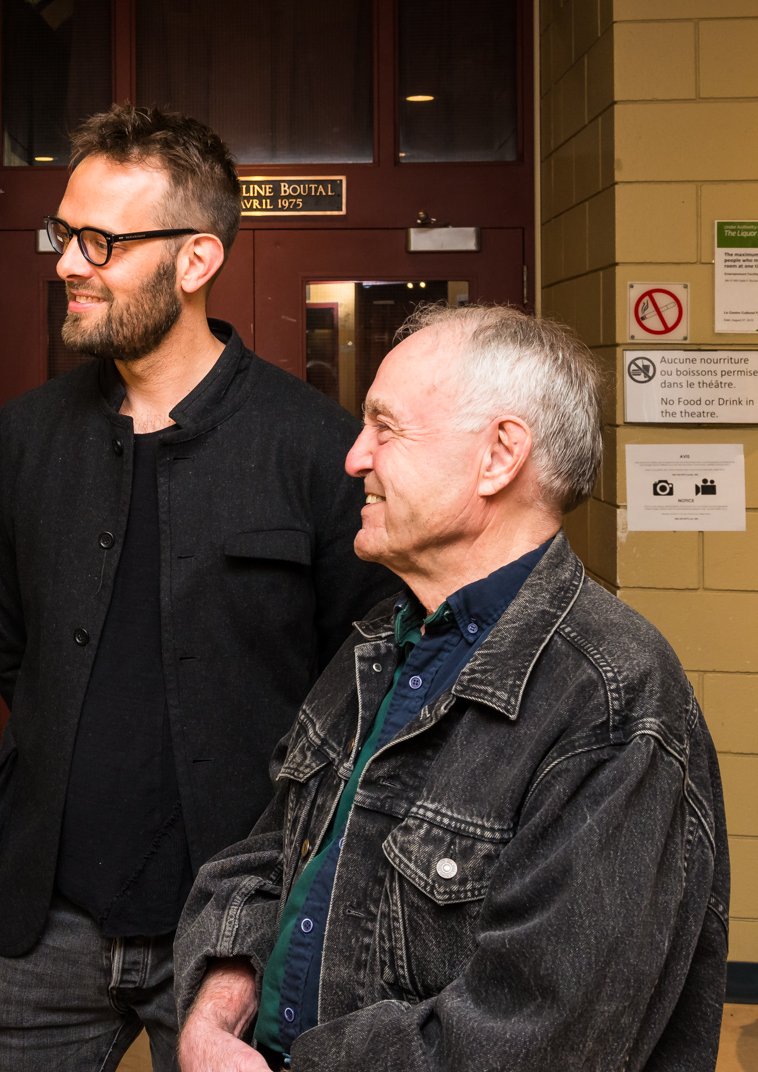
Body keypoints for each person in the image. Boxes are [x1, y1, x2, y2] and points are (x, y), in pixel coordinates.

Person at [175, 304, 729, 1071]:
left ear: (499, 456)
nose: (354, 457)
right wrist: (216, 1008)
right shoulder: (379, 641)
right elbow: (270, 854)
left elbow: (533, 1042)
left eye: (385, 427)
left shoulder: (614, 703)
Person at [0, 105, 398, 1072]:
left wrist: (266, 923)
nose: (68, 263)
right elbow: (16, 655)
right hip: (45, 922)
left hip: (234, 941)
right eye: (63, 234)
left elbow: (357, 702)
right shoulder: (28, 440)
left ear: (196, 260)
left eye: (100, 242)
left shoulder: (315, 451)